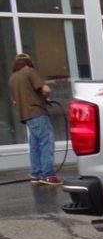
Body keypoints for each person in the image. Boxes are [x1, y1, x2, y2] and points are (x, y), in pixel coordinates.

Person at [8, 53, 59, 185]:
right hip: (37, 112)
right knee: (46, 143)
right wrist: (46, 98)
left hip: (26, 116)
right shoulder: (29, 71)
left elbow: (14, 101)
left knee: (35, 145)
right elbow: (46, 89)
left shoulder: (12, 78)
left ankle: (36, 175)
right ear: (28, 62)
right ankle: (48, 175)